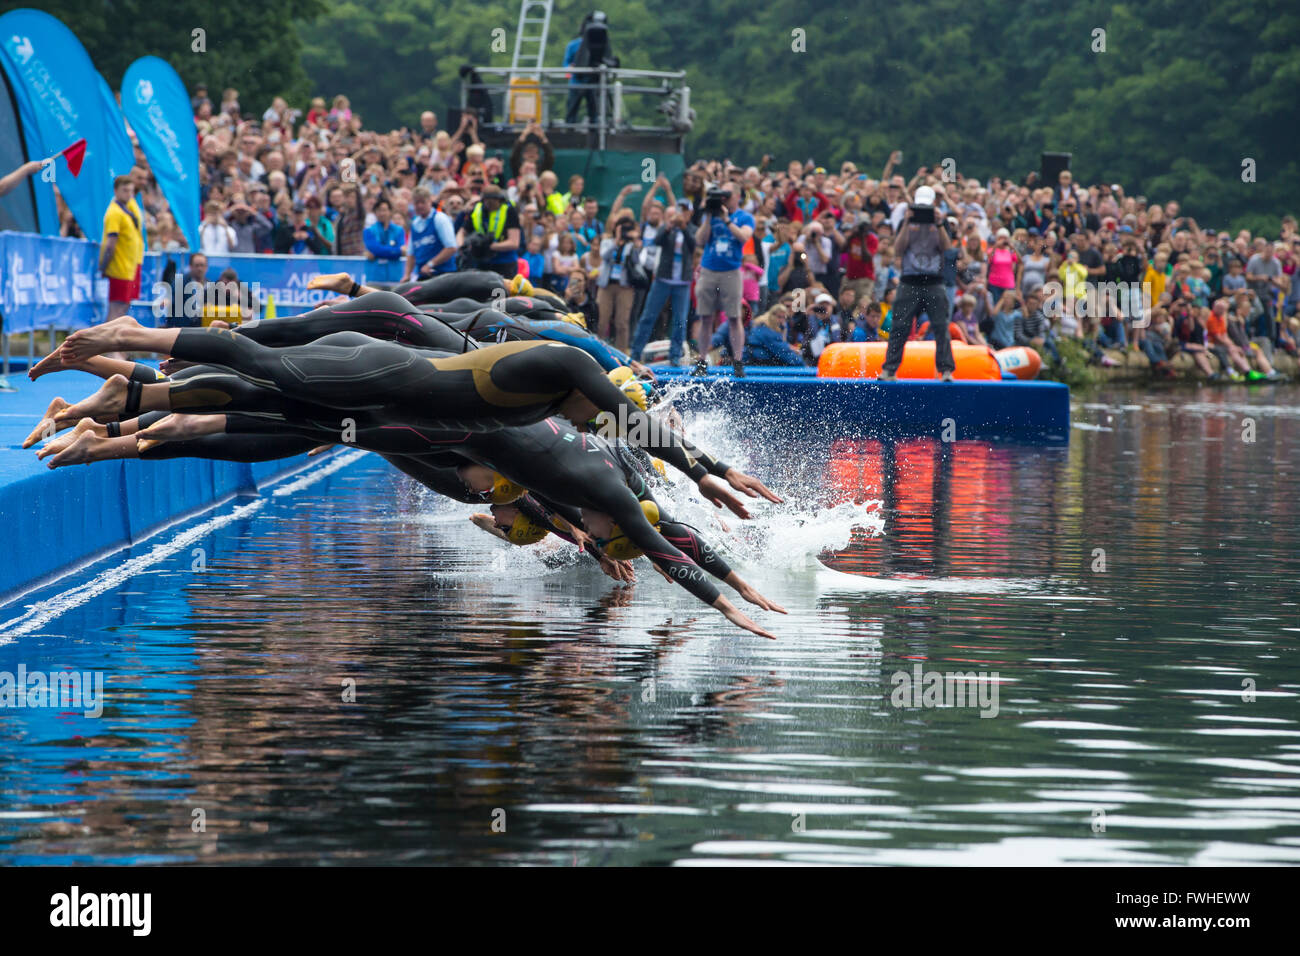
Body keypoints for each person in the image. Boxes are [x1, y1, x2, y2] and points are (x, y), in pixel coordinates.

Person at [878, 185, 953, 381]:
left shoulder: (941, 222)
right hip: (909, 280)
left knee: (940, 326)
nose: (922, 212)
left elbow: (947, 248)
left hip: (934, 281)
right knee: (899, 325)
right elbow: (899, 249)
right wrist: (906, 222)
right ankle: (890, 369)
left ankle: (945, 370)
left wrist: (938, 223)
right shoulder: (906, 220)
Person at [694, 183, 754, 377]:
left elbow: (744, 237)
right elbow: (700, 240)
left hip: (731, 270)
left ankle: (738, 361)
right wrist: (709, 217)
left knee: (735, 317)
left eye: (727, 195)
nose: (724, 199)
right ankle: (702, 361)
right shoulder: (711, 215)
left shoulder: (744, 217)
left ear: (737, 196)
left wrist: (727, 220)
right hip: (709, 269)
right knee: (705, 317)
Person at [629, 205, 696, 365]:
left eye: (680, 214)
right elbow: (657, 241)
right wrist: (669, 227)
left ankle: (675, 355)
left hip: (682, 282)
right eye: (673, 215)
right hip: (662, 280)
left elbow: (693, 245)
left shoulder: (691, 229)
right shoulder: (665, 229)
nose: (677, 217)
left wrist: (684, 228)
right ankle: (635, 353)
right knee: (648, 316)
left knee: (680, 320)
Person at [100, 175, 146, 322]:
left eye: (130, 191)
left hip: (131, 265)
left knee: (124, 306)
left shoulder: (129, 205)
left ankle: (115, 340)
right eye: (124, 190)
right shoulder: (114, 213)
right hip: (119, 267)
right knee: (116, 308)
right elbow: (110, 243)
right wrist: (104, 267)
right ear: (115, 191)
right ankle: (107, 342)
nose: (128, 194)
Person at [457, 185, 521, 278]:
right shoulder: (477, 210)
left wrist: (489, 246)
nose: (489, 203)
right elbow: (462, 232)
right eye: (487, 200)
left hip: (504, 262)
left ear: (500, 199)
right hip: (480, 261)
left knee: (500, 291)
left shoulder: (509, 211)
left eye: (493, 200)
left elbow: (514, 242)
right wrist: (462, 246)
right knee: (482, 291)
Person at [404, 186, 458, 280]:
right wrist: (407, 275)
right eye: (417, 203)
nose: (420, 205)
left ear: (430, 201)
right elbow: (411, 254)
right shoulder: (415, 224)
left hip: (443, 274)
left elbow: (451, 248)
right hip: (423, 276)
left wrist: (430, 264)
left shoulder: (440, 218)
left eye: (423, 202)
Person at [363, 197, 406, 283]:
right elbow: (375, 249)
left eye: (384, 210)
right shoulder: (368, 231)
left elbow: (377, 251)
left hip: (395, 277)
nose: (382, 213)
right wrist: (397, 251)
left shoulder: (399, 230)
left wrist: (377, 253)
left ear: (390, 211)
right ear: (375, 212)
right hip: (374, 278)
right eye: (379, 210)